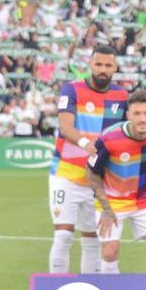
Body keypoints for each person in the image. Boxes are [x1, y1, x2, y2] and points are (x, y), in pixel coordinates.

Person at [48, 45, 128, 274]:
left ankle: (89, 288)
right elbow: (65, 127)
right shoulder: (71, 89)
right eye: (98, 64)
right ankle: (56, 288)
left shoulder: (122, 96)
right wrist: (86, 144)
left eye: (108, 65)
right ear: (90, 64)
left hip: (97, 180)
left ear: (115, 67)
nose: (103, 69)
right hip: (66, 175)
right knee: (63, 236)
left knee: (92, 240)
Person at [86, 89, 146, 274]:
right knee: (110, 252)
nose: (143, 119)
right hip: (112, 202)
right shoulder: (108, 138)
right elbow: (91, 173)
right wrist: (106, 208)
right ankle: (110, 289)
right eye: (137, 113)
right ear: (128, 115)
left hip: (144, 201)